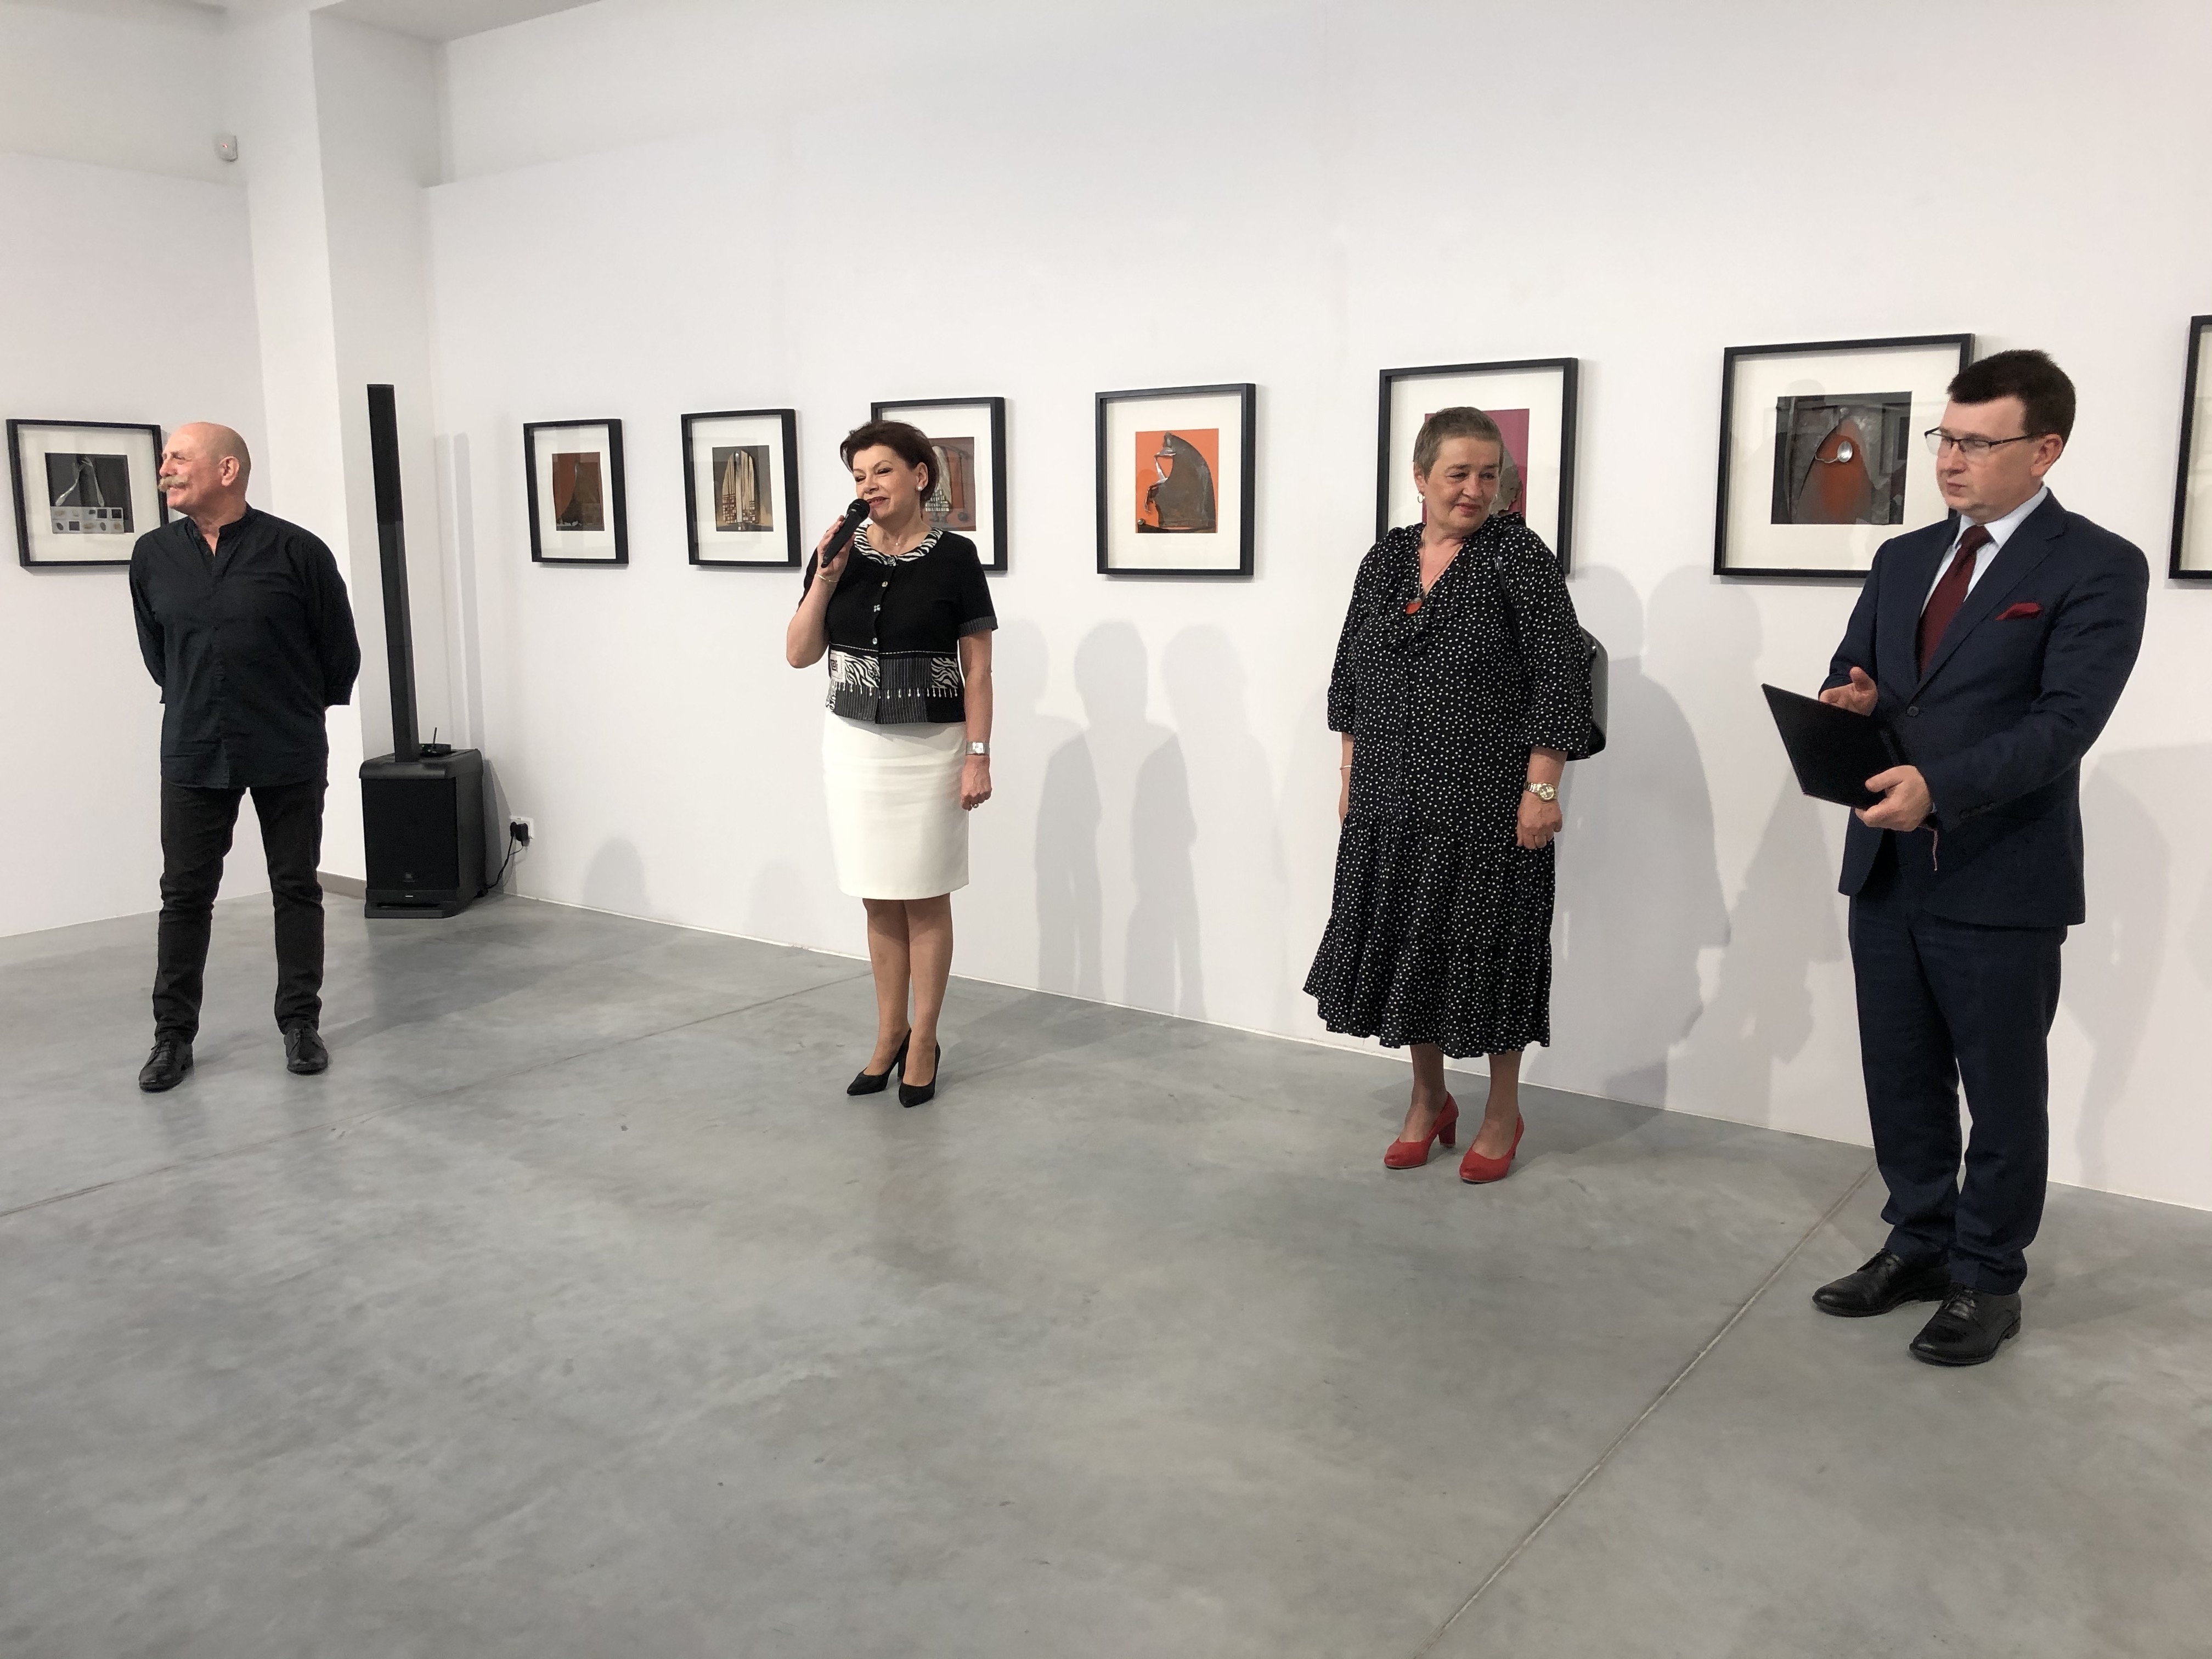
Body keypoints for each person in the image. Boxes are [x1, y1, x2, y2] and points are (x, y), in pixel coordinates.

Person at [1811, 350, 2147, 1366]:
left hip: (2001, 870)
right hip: (1887, 864)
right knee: (1900, 1074)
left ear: (2044, 450)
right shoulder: (1904, 557)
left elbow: (2064, 724)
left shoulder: (2098, 565)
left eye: (1976, 443)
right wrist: (1855, 700)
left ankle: (1987, 1276)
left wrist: (1941, 787)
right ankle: (1918, 1241)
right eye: (1944, 439)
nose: (1950, 461)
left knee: (2001, 1091)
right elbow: (1860, 669)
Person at [1306, 407, 1599, 1180]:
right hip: (1391, 797)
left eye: (1488, 475)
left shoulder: (1517, 556)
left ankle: (1502, 1111)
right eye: (1458, 473)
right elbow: (1351, 672)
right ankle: (1428, 1098)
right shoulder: (1385, 559)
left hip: (1487, 803)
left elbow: (1560, 678)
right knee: (1410, 948)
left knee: (1491, 953)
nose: (1474, 489)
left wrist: (1543, 787)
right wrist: (1350, 776)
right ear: (1420, 476)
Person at [127, 423, 362, 1092]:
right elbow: (159, 654)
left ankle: (300, 1024)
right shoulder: (152, 556)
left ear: (227, 470)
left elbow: (339, 652)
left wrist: (291, 708)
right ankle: (172, 1038)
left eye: (179, 458)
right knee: (184, 896)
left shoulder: (297, 551)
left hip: (285, 743)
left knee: (296, 887)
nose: (165, 469)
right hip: (194, 744)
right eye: (165, 458)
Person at [786, 420, 996, 1108]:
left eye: (881, 471)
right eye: (858, 476)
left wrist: (977, 756)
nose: (868, 486)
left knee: (925, 895)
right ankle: (888, 1034)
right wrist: (825, 578)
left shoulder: (957, 557)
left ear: (919, 476)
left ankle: (924, 1039)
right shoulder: (840, 552)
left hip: (932, 750)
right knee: (877, 896)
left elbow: (978, 670)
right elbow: (798, 654)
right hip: (854, 749)